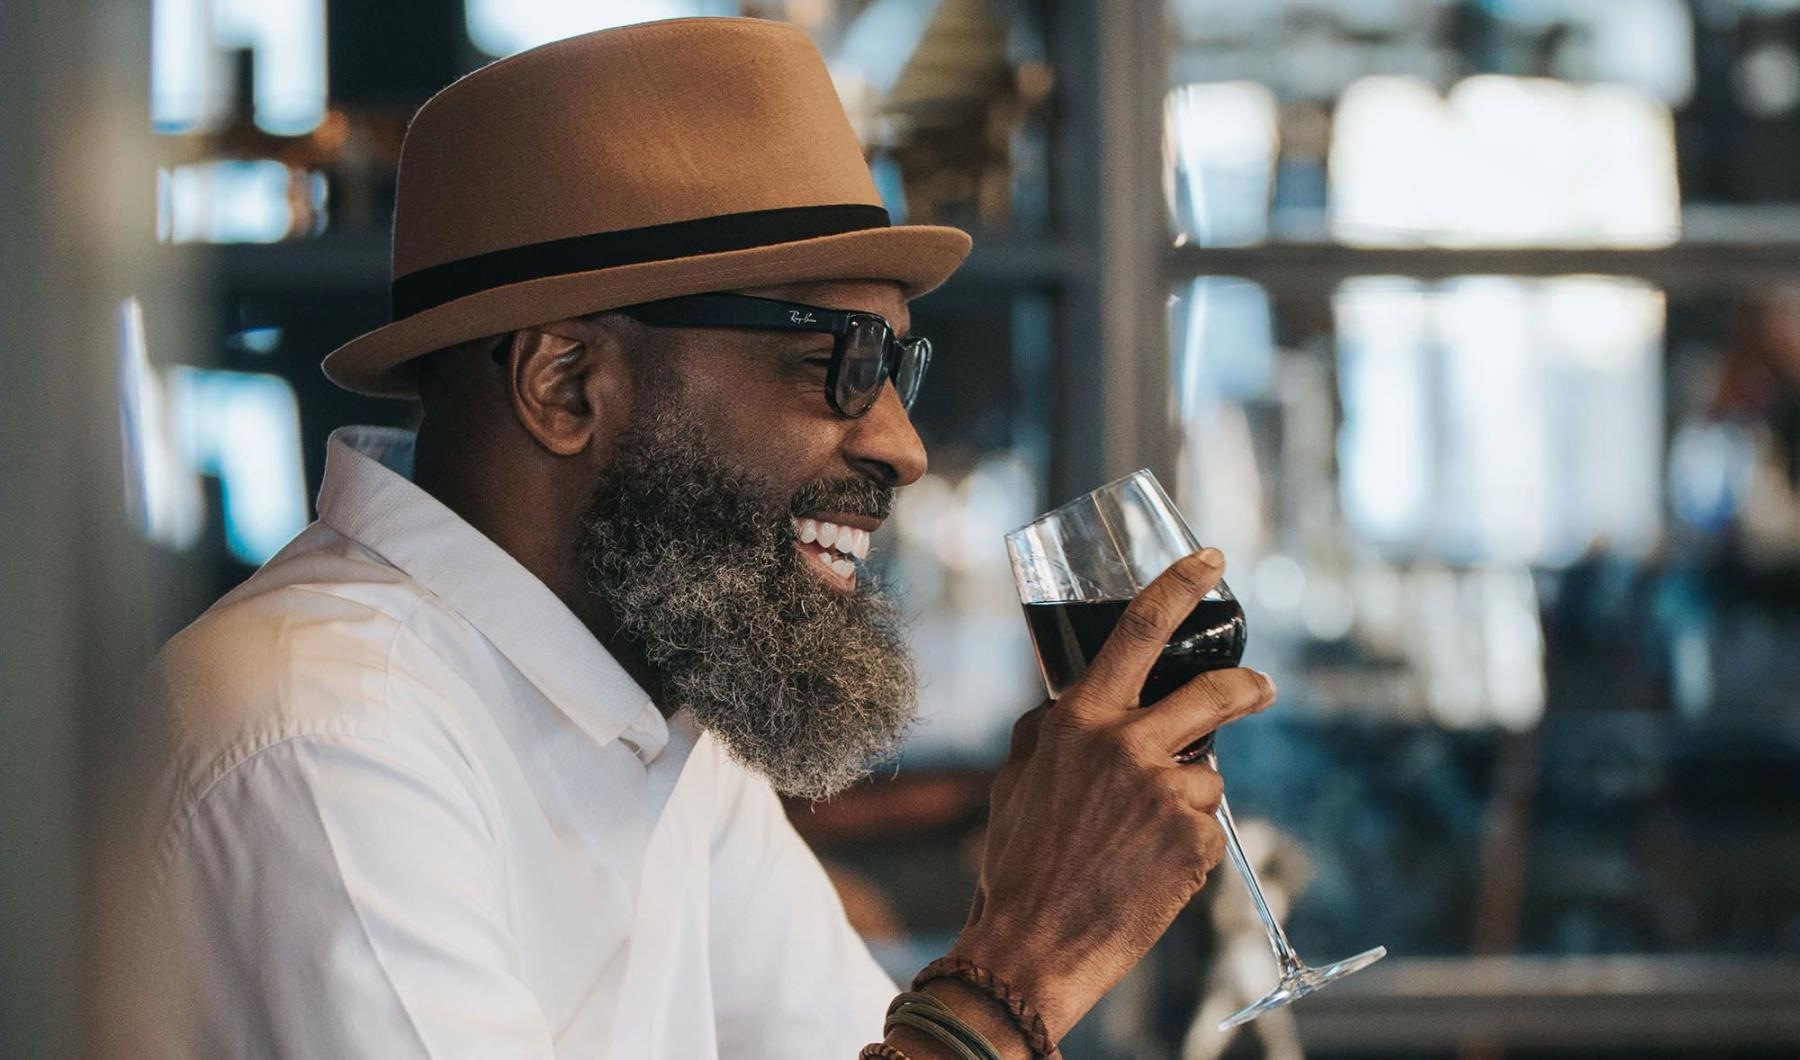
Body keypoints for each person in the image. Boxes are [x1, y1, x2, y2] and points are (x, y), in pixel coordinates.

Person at [111, 18, 1273, 1059]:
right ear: (567, 382)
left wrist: (1024, 951)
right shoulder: (325, 737)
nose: (904, 446)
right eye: (839, 361)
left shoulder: (648, 715)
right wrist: (1016, 964)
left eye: (895, 365)